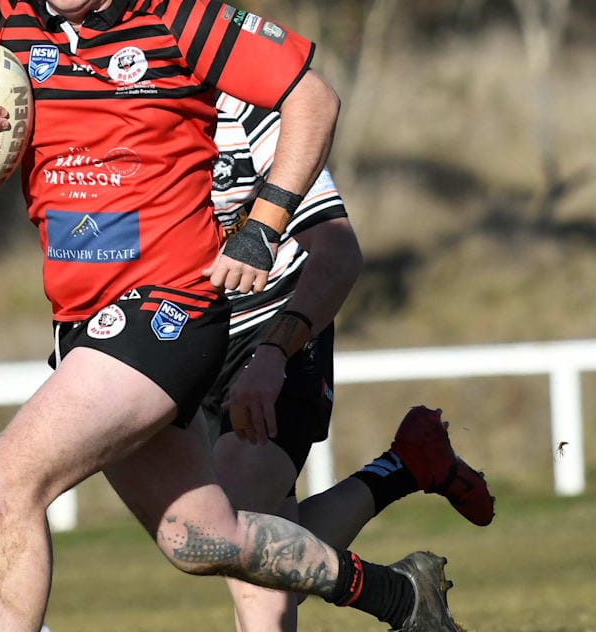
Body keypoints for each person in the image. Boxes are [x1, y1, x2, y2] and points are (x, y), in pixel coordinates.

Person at [0, 0, 461, 632]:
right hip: (82, 323)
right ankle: (400, 595)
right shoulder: (4, 27)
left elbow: (313, 100)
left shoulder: (174, 17)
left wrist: (262, 227)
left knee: (12, 476)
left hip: (167, 310)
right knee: (201, 538)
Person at [205, 93, 496, 631]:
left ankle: (400, 578)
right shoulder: (112, 109)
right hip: (185, 340)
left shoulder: (248, 106)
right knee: (234, 542)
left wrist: (274, 352)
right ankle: (404, 472)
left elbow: (339, 252)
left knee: (239, 516)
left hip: (274, 323)